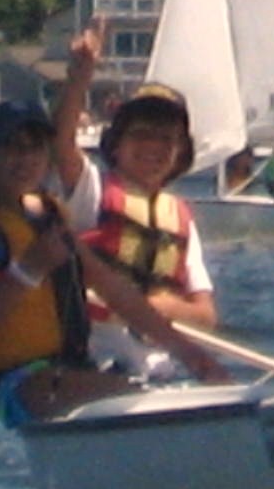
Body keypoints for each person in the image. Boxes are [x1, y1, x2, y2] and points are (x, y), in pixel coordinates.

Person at [0, 100, 209, 471]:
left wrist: (190, 353)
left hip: (72, 367)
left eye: (35, 148)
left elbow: (113, 289)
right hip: (18, 380)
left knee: (167, 393)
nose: (25, 159)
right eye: (11, 147)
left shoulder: (49, 216)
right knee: (138, 397)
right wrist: (28, 270)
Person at [52, 25, 225, 381]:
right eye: (141, 134)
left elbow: (205, 316)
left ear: (180, 154)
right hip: (95, 360)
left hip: (160, 367)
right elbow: (61, 143)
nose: (153, 147)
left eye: (166, 139)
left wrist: (164, 307)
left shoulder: (179, 218)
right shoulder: (91, 189)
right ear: (116, 144)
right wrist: (79, 77)